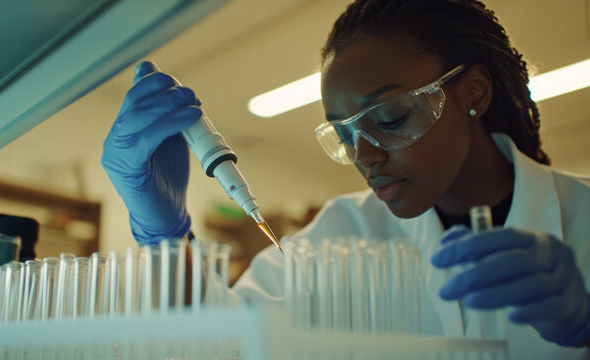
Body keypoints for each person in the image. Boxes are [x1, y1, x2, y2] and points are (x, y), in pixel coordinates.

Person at [101, 0, 590, 358]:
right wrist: (166, 239)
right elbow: (223, 344)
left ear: (475, 91)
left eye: (393, 116)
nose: (366, 156)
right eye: (344, 135)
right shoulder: (340, 235)